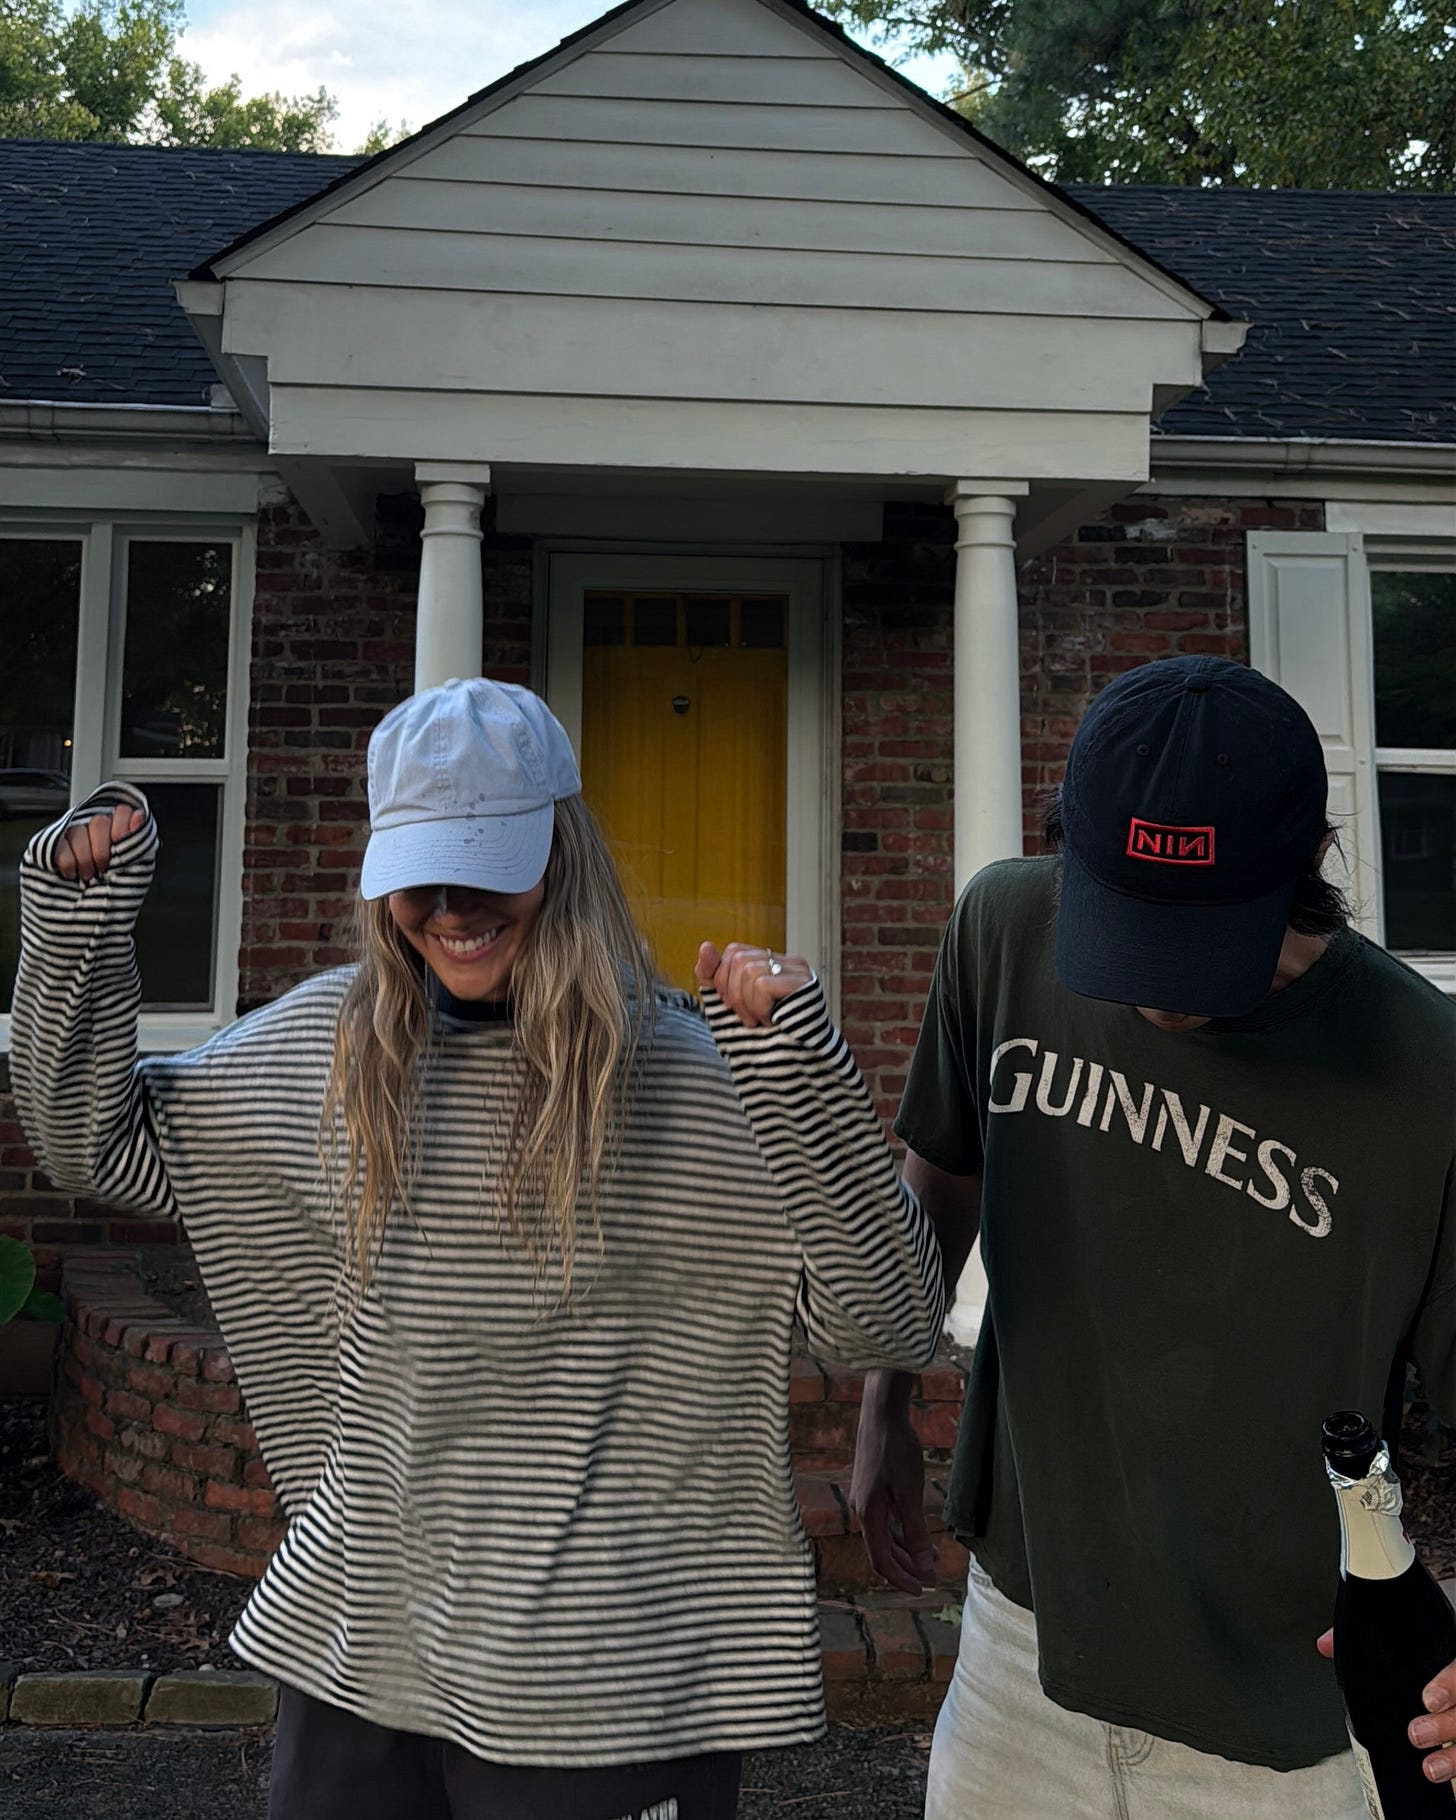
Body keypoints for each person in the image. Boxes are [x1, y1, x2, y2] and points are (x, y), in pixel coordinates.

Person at [10, 675, 945, 1820]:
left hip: (609, 1686)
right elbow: (94, 1143)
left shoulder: (700, 1086)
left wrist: (804, 1083)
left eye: (488, 861)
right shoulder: (326, 1055)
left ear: (563, 852)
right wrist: (79, 921)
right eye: (421, 869)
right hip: (362, 1653)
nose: (451, 903)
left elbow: (892, 1317)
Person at [851, 654, 1456, 1818]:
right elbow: (942, 1177)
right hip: (1019, 1656)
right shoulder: (1003, 930)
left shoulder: (1423, 1074)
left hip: (1286, 1719)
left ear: (1308, 861)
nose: (1161, 991)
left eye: (1203, 939)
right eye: (1129, 927)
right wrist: (884, 1396)